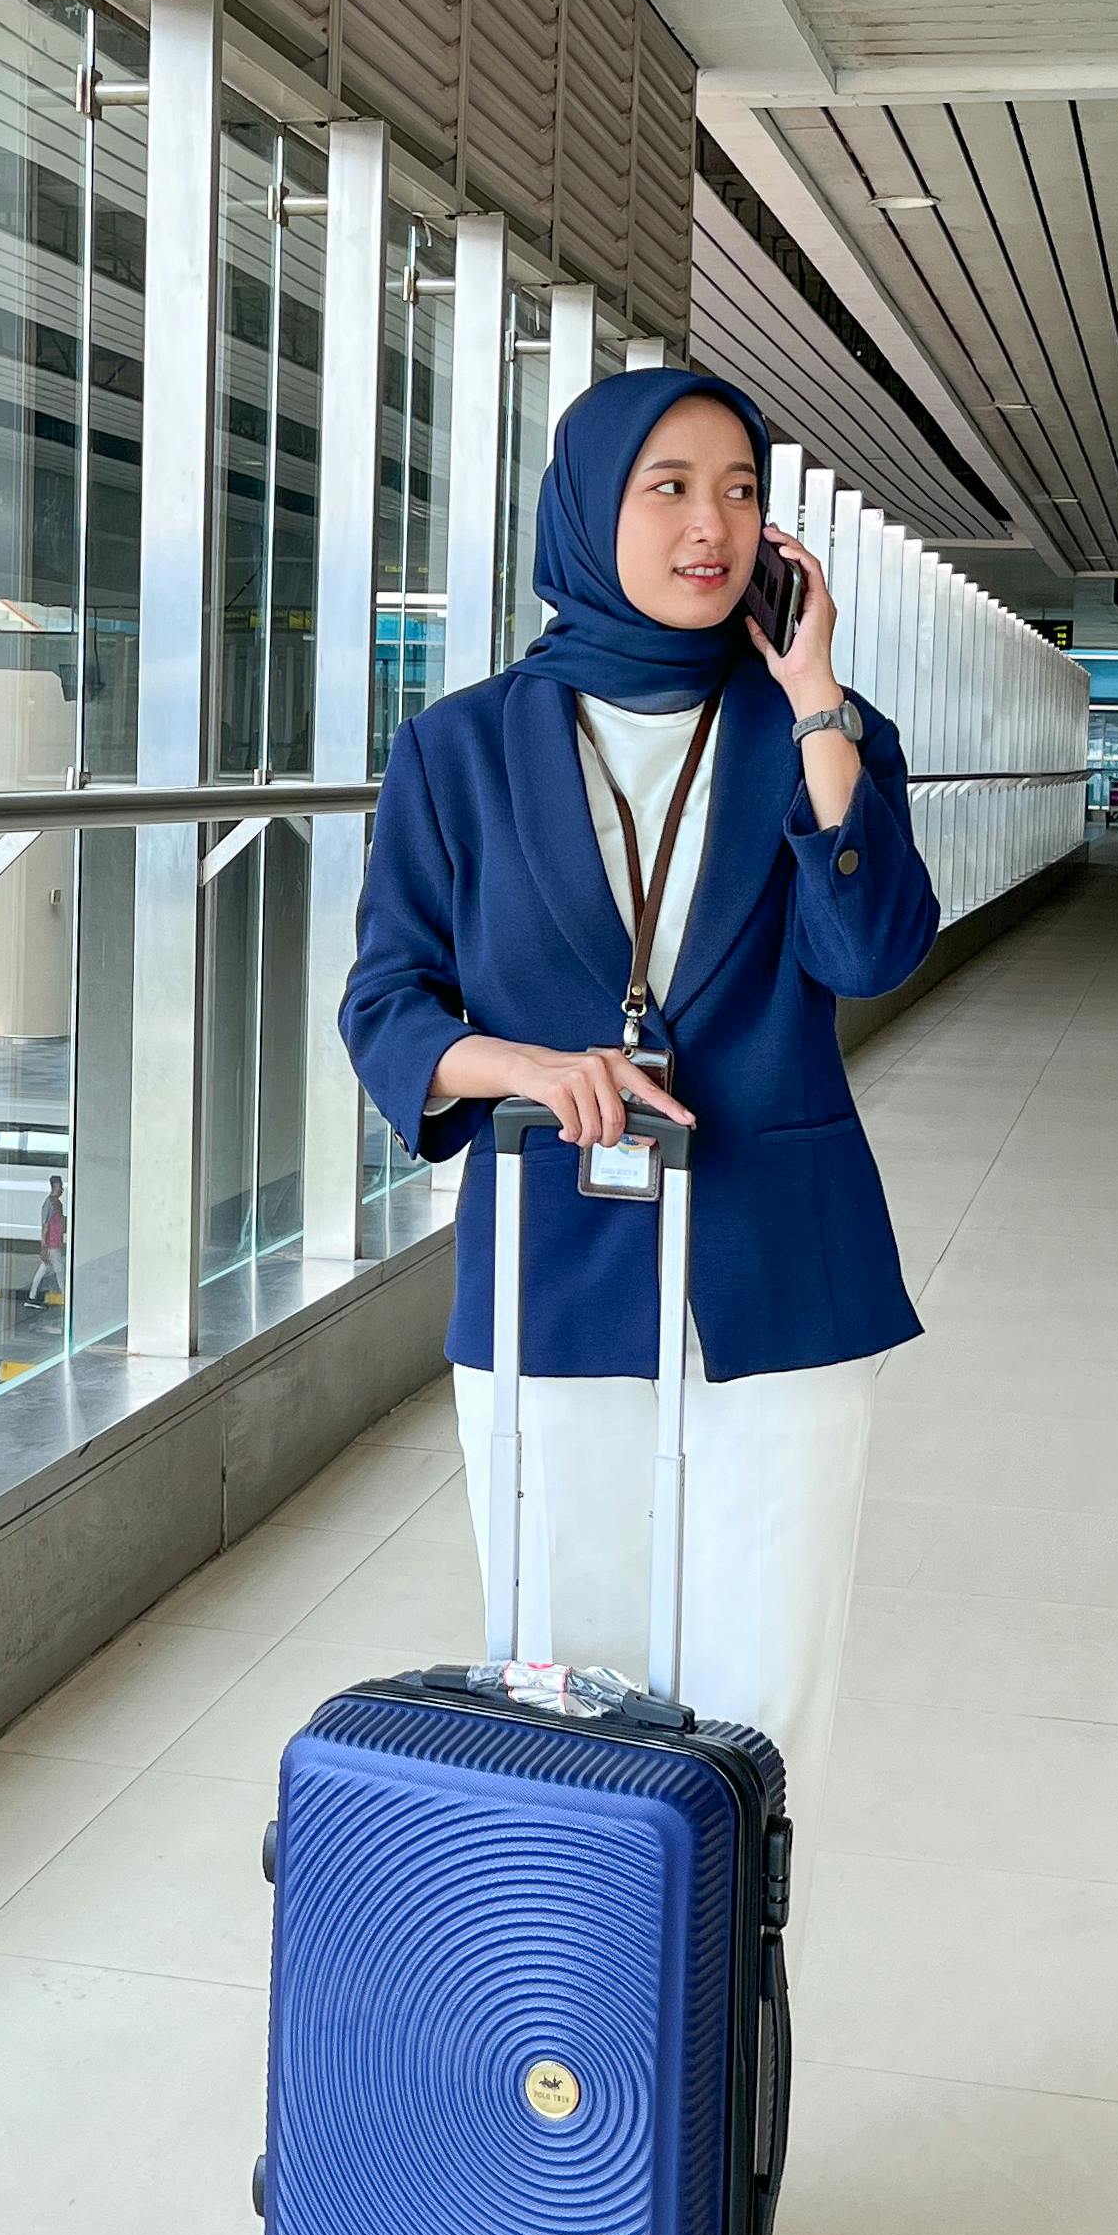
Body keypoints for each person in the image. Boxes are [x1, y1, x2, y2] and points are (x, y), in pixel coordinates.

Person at [339, 364, 939, 1868]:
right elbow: (387, 1004)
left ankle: (722, 2020)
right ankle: (586, 2009)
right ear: (591, 507)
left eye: (740, 489)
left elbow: (868, 956)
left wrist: (812, 708)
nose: (711, 523)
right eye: (668, 486)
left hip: (780, 1271)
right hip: (557, 1264)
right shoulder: (461, 750)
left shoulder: (827, 734)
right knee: (563, 1681)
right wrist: (524, 1070)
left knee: (764, 1699)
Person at [28, 1175, 68, 1314]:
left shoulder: (57, 1203)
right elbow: (45, 1226)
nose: (62, 1189)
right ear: (55, 1186)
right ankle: (65, 1296)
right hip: (52, 1244)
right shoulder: (49, 1204)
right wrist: (43, 1246)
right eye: (60, 1186)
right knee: (59, 1270)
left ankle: (32, 1296)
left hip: (55, 1242)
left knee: (45, 1269)